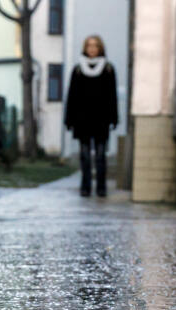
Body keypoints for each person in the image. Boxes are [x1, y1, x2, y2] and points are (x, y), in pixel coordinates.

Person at [65, 35, 118, 197]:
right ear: (85, 48)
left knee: (101, 155)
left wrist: (114, 118)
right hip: (82, 120)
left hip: (101, 120)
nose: (92, 49)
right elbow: (72, 96)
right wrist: (69, 119)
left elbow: (112, 96)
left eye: (95, 46)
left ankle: (101, 187)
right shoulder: (78, 70)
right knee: (85, 155)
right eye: (89, 46)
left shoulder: (108, 69)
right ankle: (85, 186)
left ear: (100, 48)